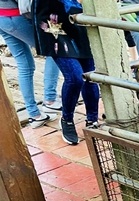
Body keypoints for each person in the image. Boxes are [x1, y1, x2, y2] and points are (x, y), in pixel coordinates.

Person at [32, 0, 99, 144]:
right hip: (53, 27)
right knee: (75, 77)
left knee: (91, 76)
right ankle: (67, 119)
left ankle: (92, 119)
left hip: (81, 26)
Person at [0, 2, 61, 127]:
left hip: (2, 19)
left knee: (25, 65)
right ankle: (50, 99)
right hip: (17, 16)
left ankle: (34, 114)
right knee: (54, 50)